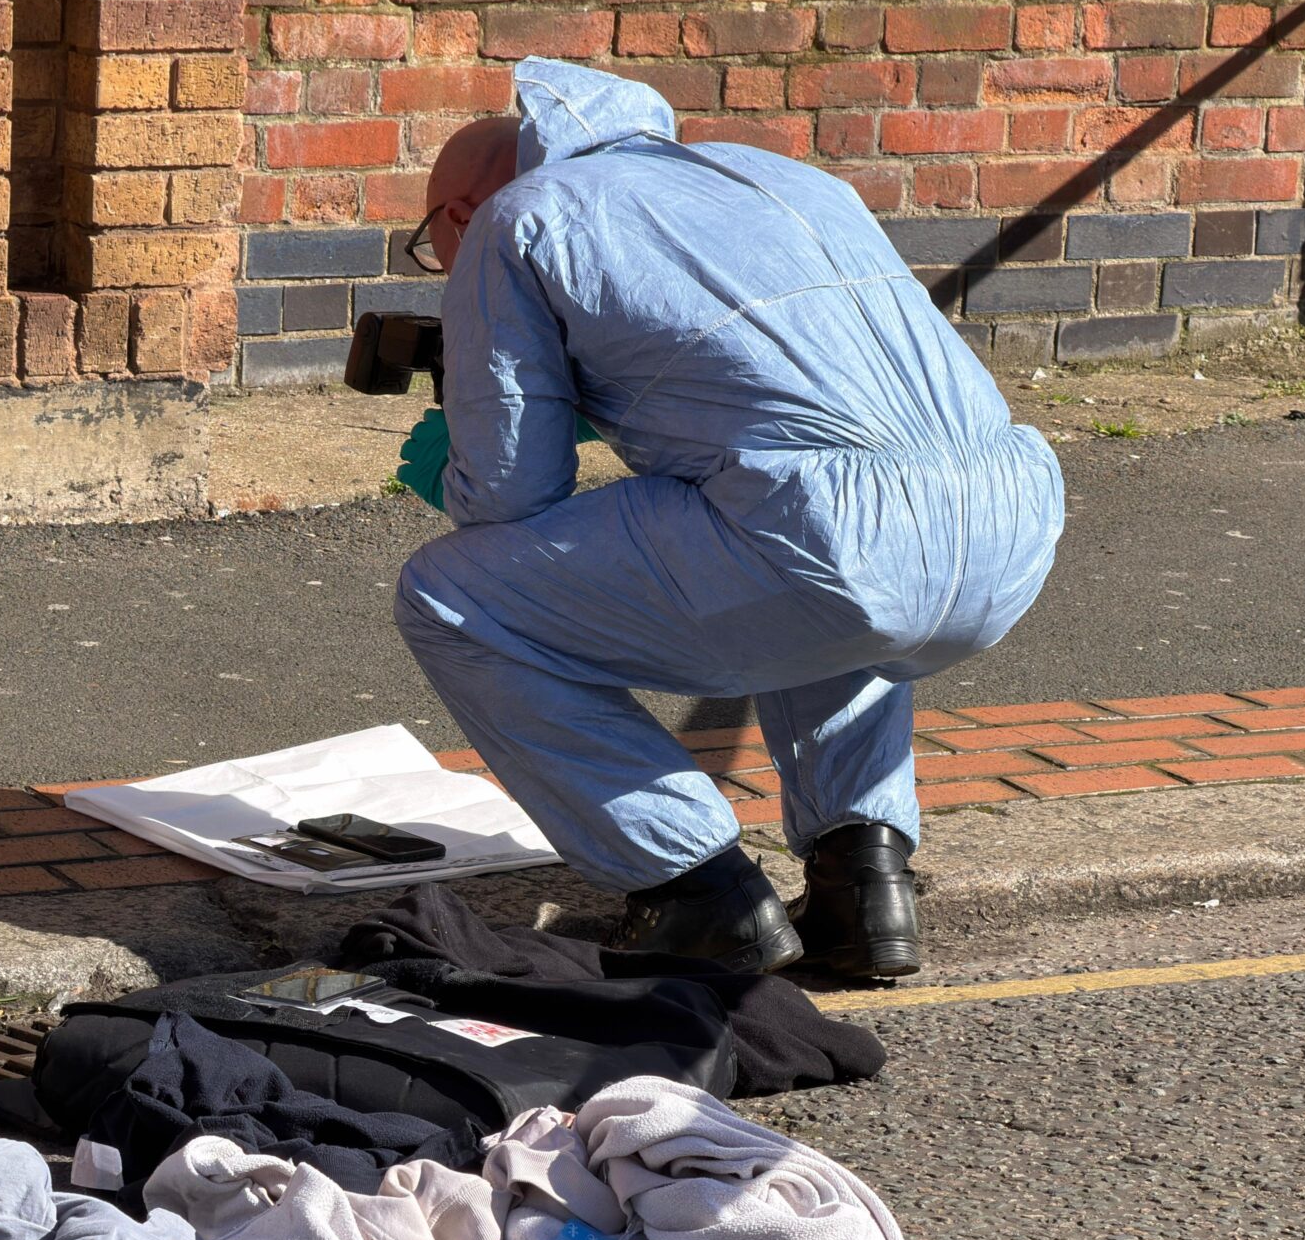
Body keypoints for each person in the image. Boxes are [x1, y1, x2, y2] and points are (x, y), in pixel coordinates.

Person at [390, 59, 1065, 979]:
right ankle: (861, 883)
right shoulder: (786, 179)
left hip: (822, 533)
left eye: (433, 244)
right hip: (1008, 520)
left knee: (449, 596)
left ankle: (696, 891)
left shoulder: (525, 215)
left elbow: (511, 493)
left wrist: (452, 470)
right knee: (806, 580)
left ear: (458, 217)